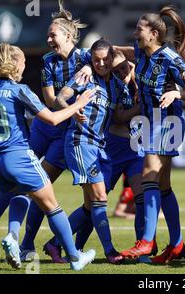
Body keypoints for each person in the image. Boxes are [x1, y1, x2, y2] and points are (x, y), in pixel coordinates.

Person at [0, 42, 96, 270]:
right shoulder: (19, 90)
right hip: (17, 156)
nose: (23, 67)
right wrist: (78, 103)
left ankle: (7, 234)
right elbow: (53, 119)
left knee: (19, 193)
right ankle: (75, 258)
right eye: (23, 63)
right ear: (15, 64)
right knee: (52, 206)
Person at [117, 5, 185, 264]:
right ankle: (177, 244)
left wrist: (176, 92)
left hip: (169, 121)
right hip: (150, 122)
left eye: (139, 29)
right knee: (163, 186)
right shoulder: (141, 50)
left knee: (148, 174)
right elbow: (130, 51)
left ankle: (147, 241)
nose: (135, 33)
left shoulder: (171, 59)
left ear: (153, 33)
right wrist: (108, 52)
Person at [50, 38, 129, 264]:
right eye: (96, 60)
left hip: (99, 147)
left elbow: (120, 116)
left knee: (90, 205)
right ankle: (110, 251)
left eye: (106, 59)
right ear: (90, 59)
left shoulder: (115, 84)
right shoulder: (84, 76)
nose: (101, 63)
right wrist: (73, 110)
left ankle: (54, 243)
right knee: (100, 198)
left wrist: (141, 107)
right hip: (80, 143)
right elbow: (60, 98)